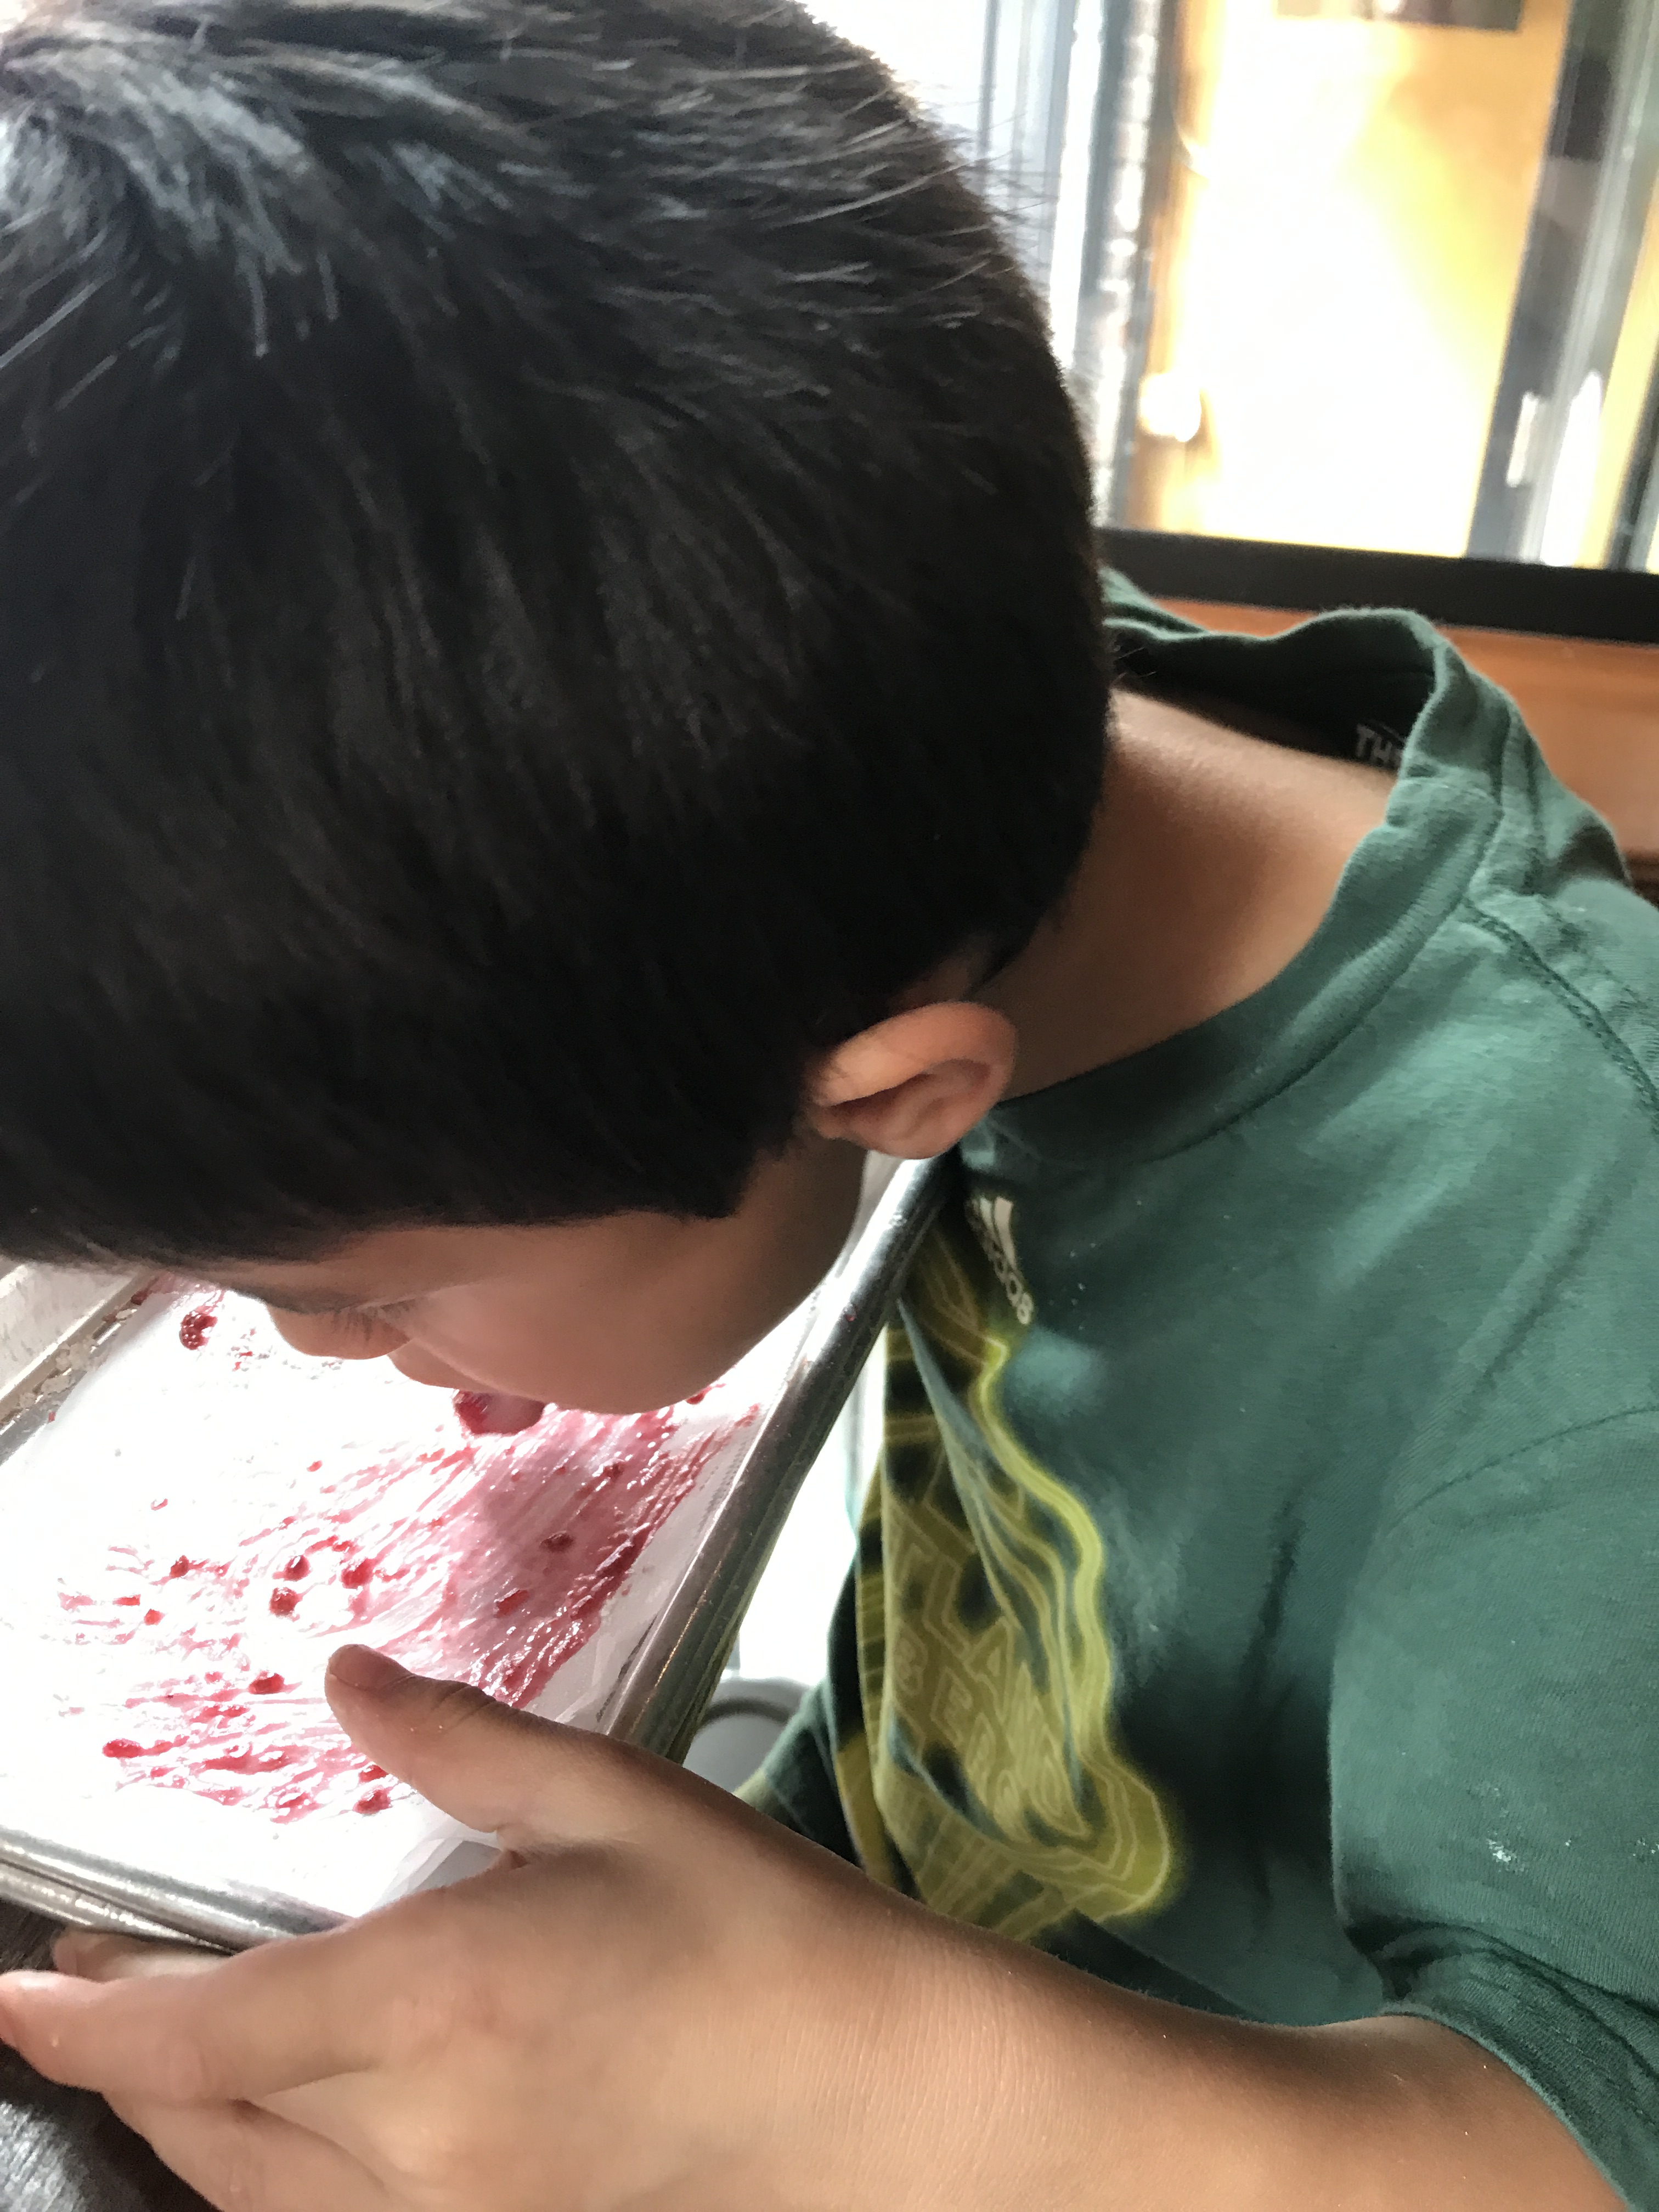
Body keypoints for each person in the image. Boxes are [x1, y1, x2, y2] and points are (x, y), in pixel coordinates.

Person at [0, 0, 1647, 2204]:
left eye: (363, 1293)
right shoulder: (876, 735)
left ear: (897, 1093)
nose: (315, 1346)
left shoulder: (1588, 1286)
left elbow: (1598, 2124)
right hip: (871, 1865)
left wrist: (868, 2079)